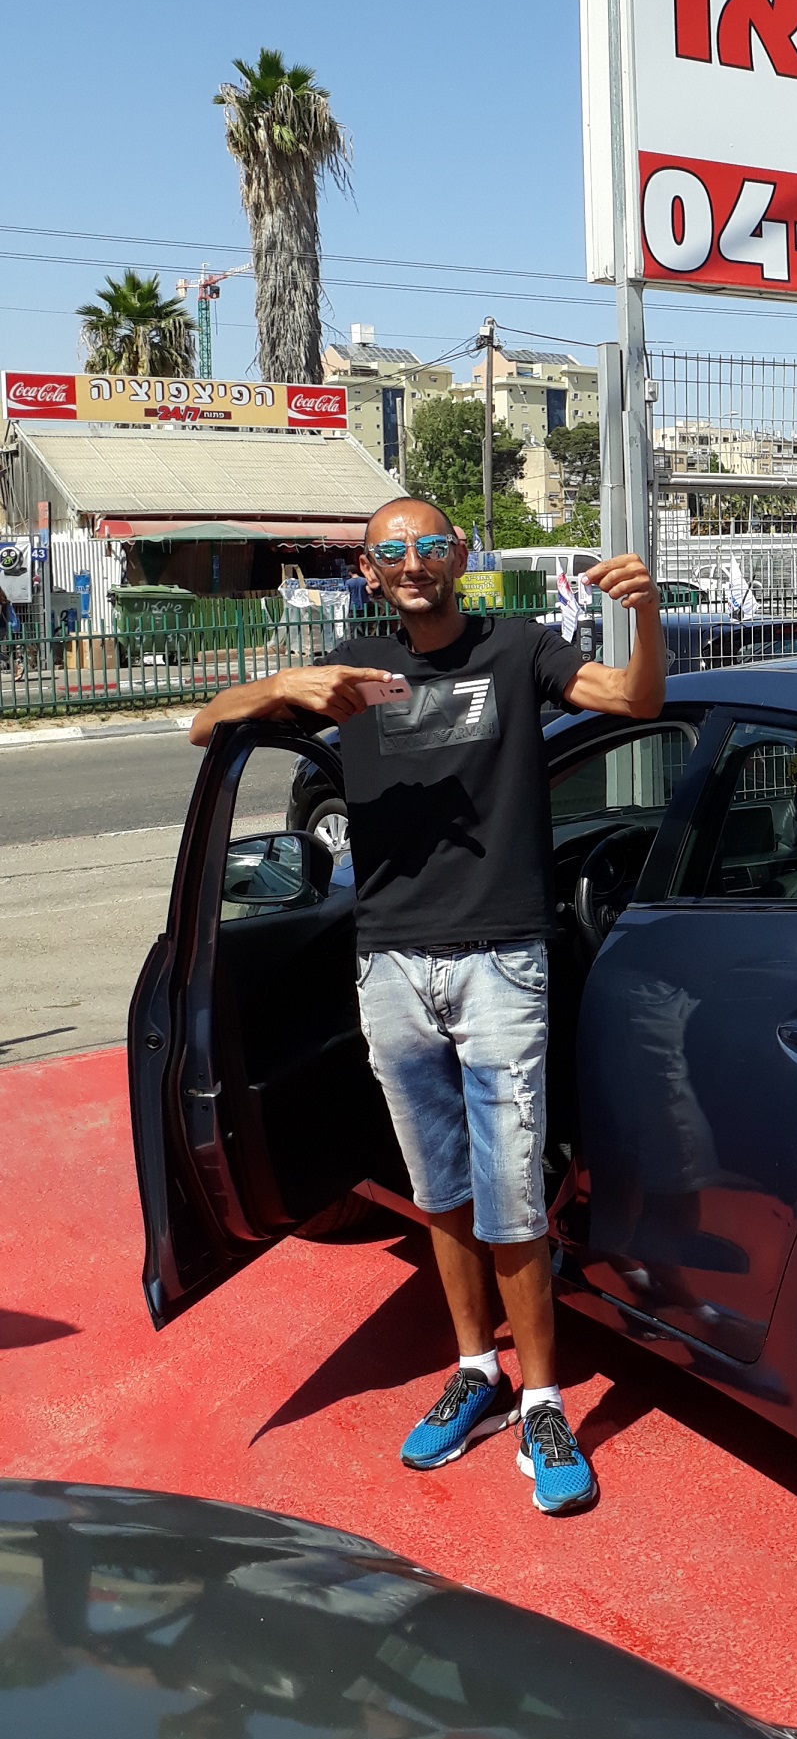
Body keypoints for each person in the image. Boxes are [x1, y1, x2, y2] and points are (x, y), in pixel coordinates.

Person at [191, 494, 666, 1516]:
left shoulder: (518, 648)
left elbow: (633, 697)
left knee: (511, 1196)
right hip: (390, 968)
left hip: (501, 961)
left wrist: (646, 612)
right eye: (393, 550)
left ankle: (543, 1401)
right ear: (370, 570)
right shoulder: (350, 670)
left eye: (430, 545)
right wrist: (281, 685)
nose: (413, 562)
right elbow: (202, 726)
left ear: (459, 555)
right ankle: (474, 1370)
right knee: (439, 1187)